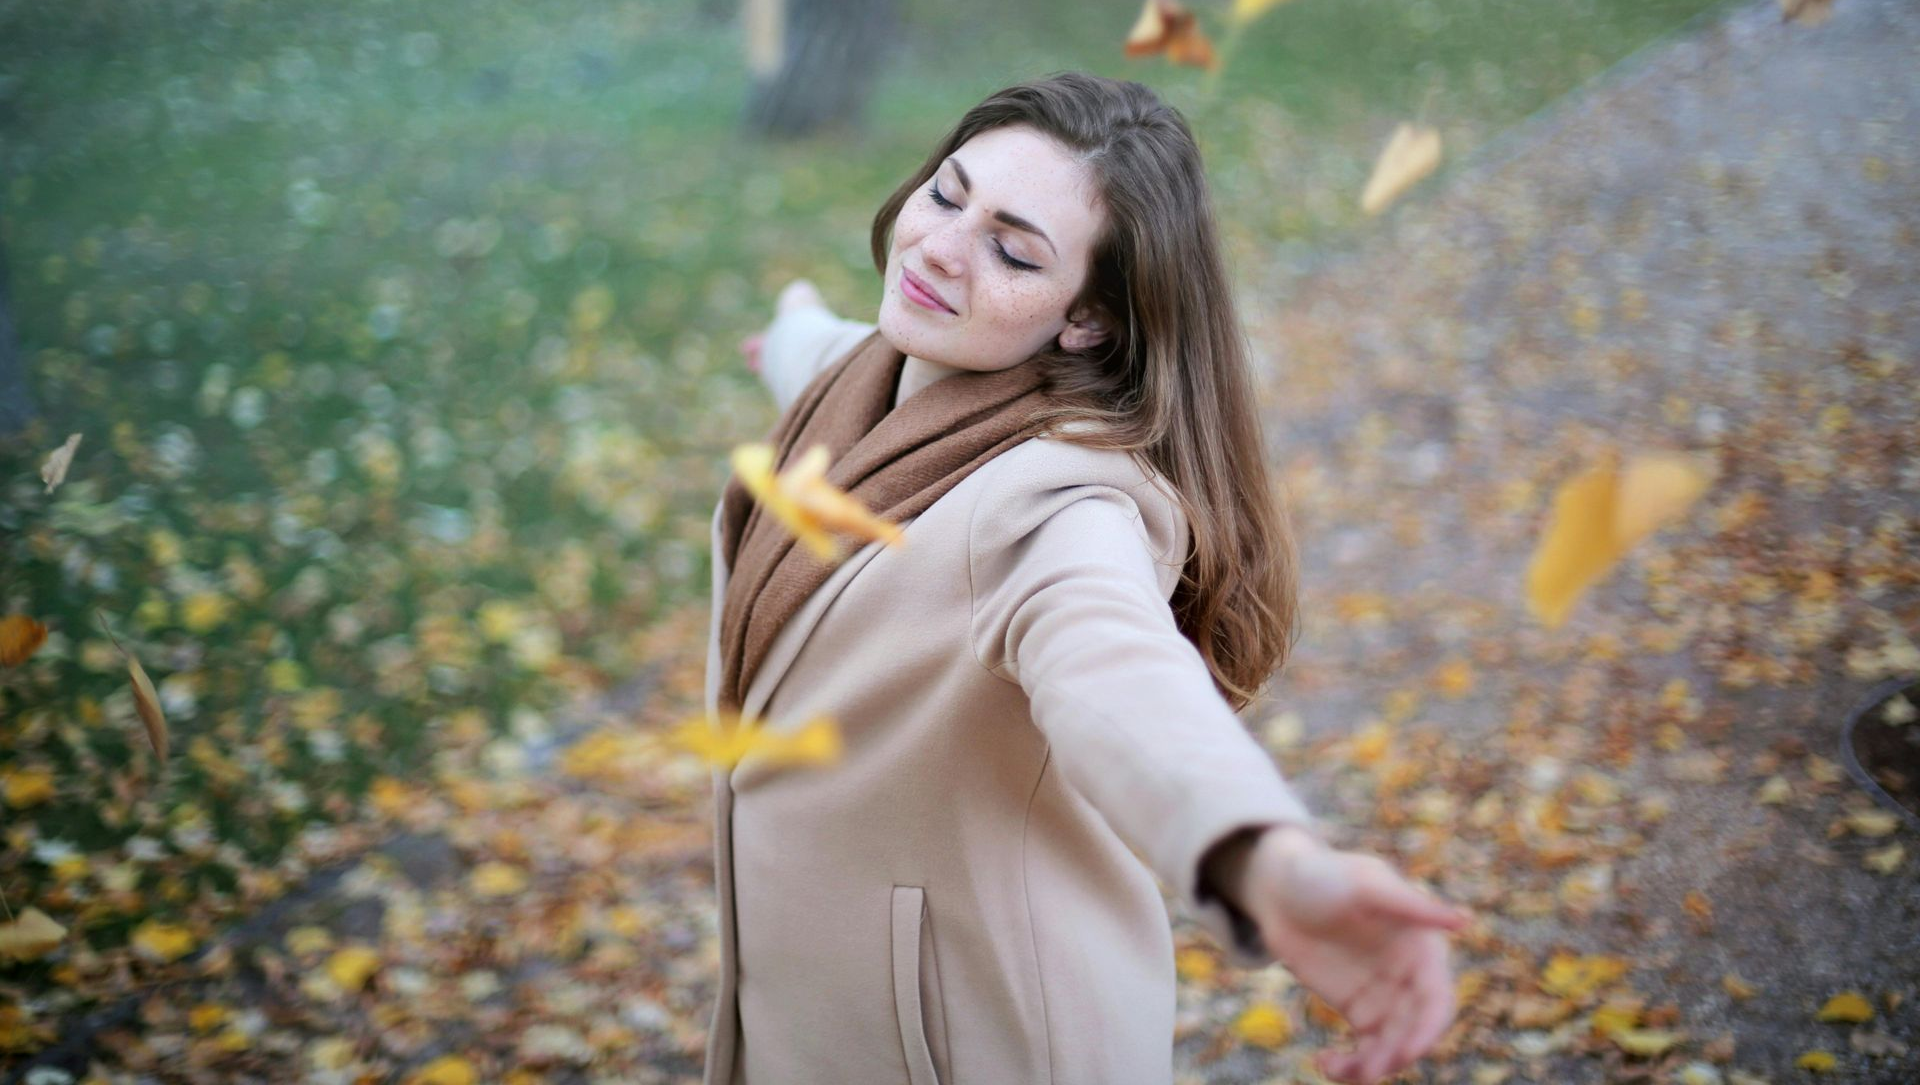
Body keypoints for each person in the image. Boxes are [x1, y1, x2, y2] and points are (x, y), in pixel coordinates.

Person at [704, 71, 1470, 1085]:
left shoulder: (1061, 504)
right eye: (947, 193)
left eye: (1013, 249)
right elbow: (828, 357)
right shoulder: (867, 375)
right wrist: (791, 328)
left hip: (980, 1040)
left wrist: (1267, 859)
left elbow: (1117, 669)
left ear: (1088, 323)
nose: (939, 247)